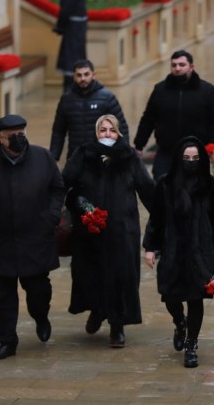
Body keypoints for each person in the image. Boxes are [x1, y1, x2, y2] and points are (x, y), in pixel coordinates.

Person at [0, 114, 65, 361]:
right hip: (1, 241)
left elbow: (57, 189)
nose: (19, 139)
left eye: (22, 134)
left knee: (39, 290)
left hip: (36, 239)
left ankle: (41, 317)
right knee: (3, 294)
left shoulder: (43, 157)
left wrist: (50, 217)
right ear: (1, 138)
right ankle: (7, 341)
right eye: (13, 136)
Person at [62, 114, 154, 348]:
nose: (107, 135)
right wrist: (79, 202)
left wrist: (161, 219)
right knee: (91, 274)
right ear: (96, 133)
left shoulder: (129, 157)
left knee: (120, 276)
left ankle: (117, 325)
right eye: (103, 130)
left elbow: (147, 189)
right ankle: (97, 310)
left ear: (119, 133)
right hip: (90, 231)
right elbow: (66, 184)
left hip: (122, 230)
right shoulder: (83, 154)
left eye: (111, 130)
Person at [143, 136, 214, 368]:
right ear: (179, 160)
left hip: (199, 250)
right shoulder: (165, 184)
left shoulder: (207, 184)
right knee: (170, 296)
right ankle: (180, 323)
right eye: (186, 158)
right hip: (173, 250)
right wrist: (150, 247)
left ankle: (191, 345)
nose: (190, 162)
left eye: (195, 158)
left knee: (196, 298)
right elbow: (156, 218)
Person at [134, 50, 214, 180]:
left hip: (195, 153)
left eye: (182, 65)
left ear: (191, 67)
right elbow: (148, 119)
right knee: (162, 186)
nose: (177, 68)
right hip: (166, 151)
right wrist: (139, 145)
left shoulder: (207, 91)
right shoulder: (160, 90)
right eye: (174, 65)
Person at [50, 59, 129, 162]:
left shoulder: (107, 98)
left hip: (101, 158)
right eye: (79, 75)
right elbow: (58, 132)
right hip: (76, 158)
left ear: (94, 75)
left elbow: (121, 127)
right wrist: (52, 158)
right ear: (74, 77)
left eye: (86, 74)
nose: (83, 78)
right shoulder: (66, 100)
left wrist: (124, 155)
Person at [53, 0, 87, 92]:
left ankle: (70, 90)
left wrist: (60, 25)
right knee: (76, 58)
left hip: (73, 26)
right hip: (78, 23)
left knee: (70, 59)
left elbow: (66, 8)